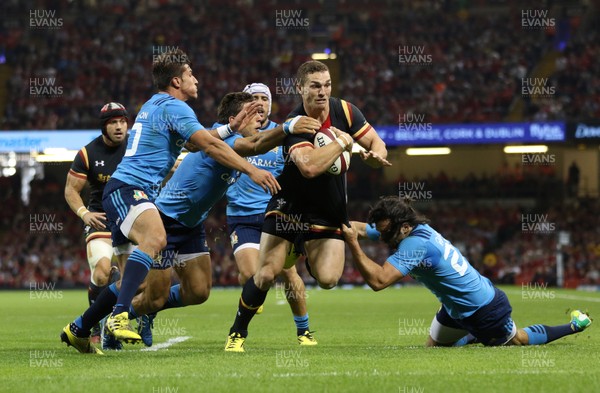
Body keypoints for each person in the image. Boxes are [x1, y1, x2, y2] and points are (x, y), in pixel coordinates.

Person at [61, 49, 280, 354]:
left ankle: (80, 328)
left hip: (158, 204)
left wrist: (230, 127)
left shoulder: (156, 104)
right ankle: (119, 316)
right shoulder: (177, 109)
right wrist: (253, 169)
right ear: (177, 80)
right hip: (130, 189)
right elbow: (208, 145)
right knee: (151, 263)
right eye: (191, 74)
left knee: (196, 290)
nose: (197, 80)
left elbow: (193, 141)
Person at [225, 60, 392, 352]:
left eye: (327, 85)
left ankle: (301, 248)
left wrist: (375, 154)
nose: (322, 92)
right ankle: (237, 334)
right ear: (300, 88)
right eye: (315, 86)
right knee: (265, 274)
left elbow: (377, 142)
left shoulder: (347, 111)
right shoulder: (296, 123)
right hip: (290, 206)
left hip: (328, 208)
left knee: (328, 279)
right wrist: (342, 144)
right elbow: (309, 169)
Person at [341, 196, 592, 347]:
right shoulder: (406, 229)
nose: (382, 237)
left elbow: (379, 281)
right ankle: (472, 336)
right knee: (435, 348)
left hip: (483, 309)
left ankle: (574, 325)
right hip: (454, 307)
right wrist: (326, 226)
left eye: (386, 233)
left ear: (404, 227)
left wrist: (352, 243)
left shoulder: (416, 244)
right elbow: (360, 229)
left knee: (519, 339)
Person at [226, 83, 317, 345]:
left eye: (263, 98)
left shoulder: (283, 134)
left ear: (270, 103)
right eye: (253, 99)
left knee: (288, 273)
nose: (259, 103)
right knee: (251, 273)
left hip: (275, 215)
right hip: (241, 216)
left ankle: (304, 331)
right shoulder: (233, 132)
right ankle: (252, 302)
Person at [64, 102, 128, 343]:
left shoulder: (136, 146)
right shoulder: (88, 153)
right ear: (104, 126)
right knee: (101, 274)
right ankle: (93, 328)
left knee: (135, 280)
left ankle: (131, 322)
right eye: (113, 122)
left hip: (131, 220)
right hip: (101, 220)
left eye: (122, 121)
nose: (119, 127)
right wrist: (84, 213)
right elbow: (71, 190)